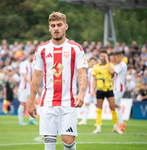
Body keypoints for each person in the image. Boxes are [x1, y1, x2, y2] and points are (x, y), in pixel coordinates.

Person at [28, 12, 88, 150]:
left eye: (59, 25)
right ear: (49, 28)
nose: (56, 28)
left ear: (65, 26)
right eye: (53, 25)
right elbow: (36, 77)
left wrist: (81, 94)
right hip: (47, 102)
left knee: (68, 141)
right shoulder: (41, 49)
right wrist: (31, 102)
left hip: (68, 102)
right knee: (49, 143)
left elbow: (82, 73)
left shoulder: (76, 48)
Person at [92, 51, 123, 134]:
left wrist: (107, 60)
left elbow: (111, 71)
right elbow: (94, 79)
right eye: (102, 56)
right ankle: (98, 128)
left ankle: (115, 127)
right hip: (99, 90)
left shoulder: (110, 65)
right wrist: (93, 90)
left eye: (104, 56)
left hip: (109, 90)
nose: (103, 57)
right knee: (99, 109)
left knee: (113, 108)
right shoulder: (95, 67)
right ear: (99, 56)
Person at [18, 51, 38, 126]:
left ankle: (31, 119)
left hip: (31, 88)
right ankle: (20, 120)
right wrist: (30, 82)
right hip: (24, 87)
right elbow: (24, 74)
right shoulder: (23, 63)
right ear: (30, 55)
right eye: (34, 55)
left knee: (36, 101)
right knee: (22, 103)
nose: (34, 57)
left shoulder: (34, 64)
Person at [77, 57, 98, 125]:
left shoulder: (97, 69)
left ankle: (98, 122)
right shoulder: (89, 70)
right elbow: (88, 80)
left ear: (96, 62)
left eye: (93, 61)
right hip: (89, 91)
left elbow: (96, 80)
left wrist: (94, 90)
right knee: (86, 104)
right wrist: (86, 89)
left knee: (97, 106)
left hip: (96, 90)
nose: (92, 63)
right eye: (91, 61)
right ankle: (84, 120)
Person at [113, 52, 127, 131]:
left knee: (116, 106)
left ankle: (121, 123)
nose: (115, 59)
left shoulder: (122, 64)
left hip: (119, 88)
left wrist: (108, 62)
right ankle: (121, 123)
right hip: (116, 88)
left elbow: (113, 71)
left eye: (116, 57)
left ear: (120, 57)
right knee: (115, 106)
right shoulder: (117, 65)